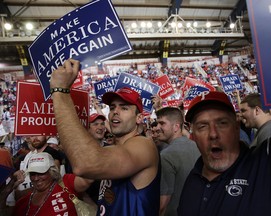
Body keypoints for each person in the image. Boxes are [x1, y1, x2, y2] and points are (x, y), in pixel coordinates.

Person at [50, 59, 160, 215]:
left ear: (139, 118)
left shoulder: (144, 145)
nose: (115, 111)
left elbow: (86, 163)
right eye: (113, 107)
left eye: (124, 108)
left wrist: (60, 92)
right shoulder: (114, 149)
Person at [178, 91, 271, 215]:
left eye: (222, 123)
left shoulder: (267, 163)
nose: (213, 134)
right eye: (202, 126)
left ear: (236, 127)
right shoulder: (192, 179)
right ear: (193, 136)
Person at [13, 152, 93, 216]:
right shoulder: (23, 202)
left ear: (52, 172)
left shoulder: (67, 183)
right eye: (33, 174)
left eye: (41, 173)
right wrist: (8, 187)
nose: (36, 178)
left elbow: (88, 179)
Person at [156, 107, 200, 216]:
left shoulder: (166, 155)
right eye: (157, 124)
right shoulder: (197, 147)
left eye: (162, 123)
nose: (157, 128)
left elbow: (162, 204)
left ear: (176, 127)